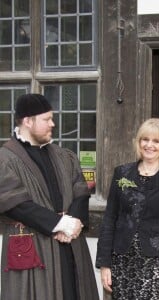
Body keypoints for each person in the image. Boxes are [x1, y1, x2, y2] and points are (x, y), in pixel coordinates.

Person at [0, 94, 99, 300]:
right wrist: (59, 223)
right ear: (28, 121)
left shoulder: (64, 155)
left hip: (70, 244)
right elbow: (14, 203)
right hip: (32, 246)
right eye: (46, 119)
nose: (52, 124)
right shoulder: (5, 159)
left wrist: (73, 224)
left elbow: (80, 191)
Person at [96, 118, 159, 300]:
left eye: (156, 141)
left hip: (158, 260)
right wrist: (105, 264)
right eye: (145, 139)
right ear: (139, 142)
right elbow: (109, 220)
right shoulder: (122, 173)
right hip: (122, 259)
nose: (149, 145)